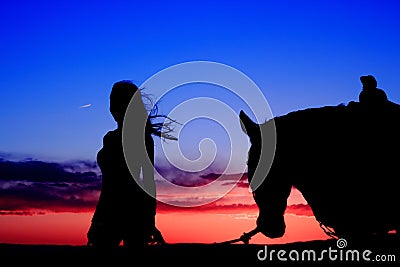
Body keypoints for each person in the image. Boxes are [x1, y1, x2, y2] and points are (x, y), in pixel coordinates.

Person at [87, 80, 175, 250]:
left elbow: (148, 182)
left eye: (115, 100)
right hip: (121, 210)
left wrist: (150, 220)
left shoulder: (137, 138)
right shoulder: (112, 138)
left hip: (126, 211)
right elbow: (111, 185)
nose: (111, 106)